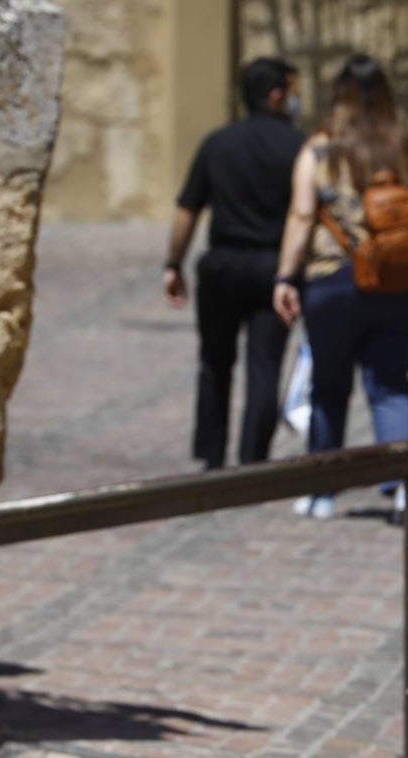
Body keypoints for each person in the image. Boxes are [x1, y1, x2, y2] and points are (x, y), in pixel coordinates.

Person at [273, 54, 408, 521]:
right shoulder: (401, 144)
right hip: (404, 281)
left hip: (335, 279)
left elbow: (302, 216)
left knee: (329, 385)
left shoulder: (319, 150)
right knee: (390, 385)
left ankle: (323, 492)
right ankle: (404, 488)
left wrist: (285, 276)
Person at [163, 57, 305, 470]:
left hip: (221, 266)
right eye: (293, 90)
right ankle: (252, 461)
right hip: (272, 269)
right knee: (264, 367)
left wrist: (173, 263)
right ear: (275, 94)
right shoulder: (298, 148)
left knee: (214, 362)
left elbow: (188, 208)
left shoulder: (217, 142)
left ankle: (212, 454)